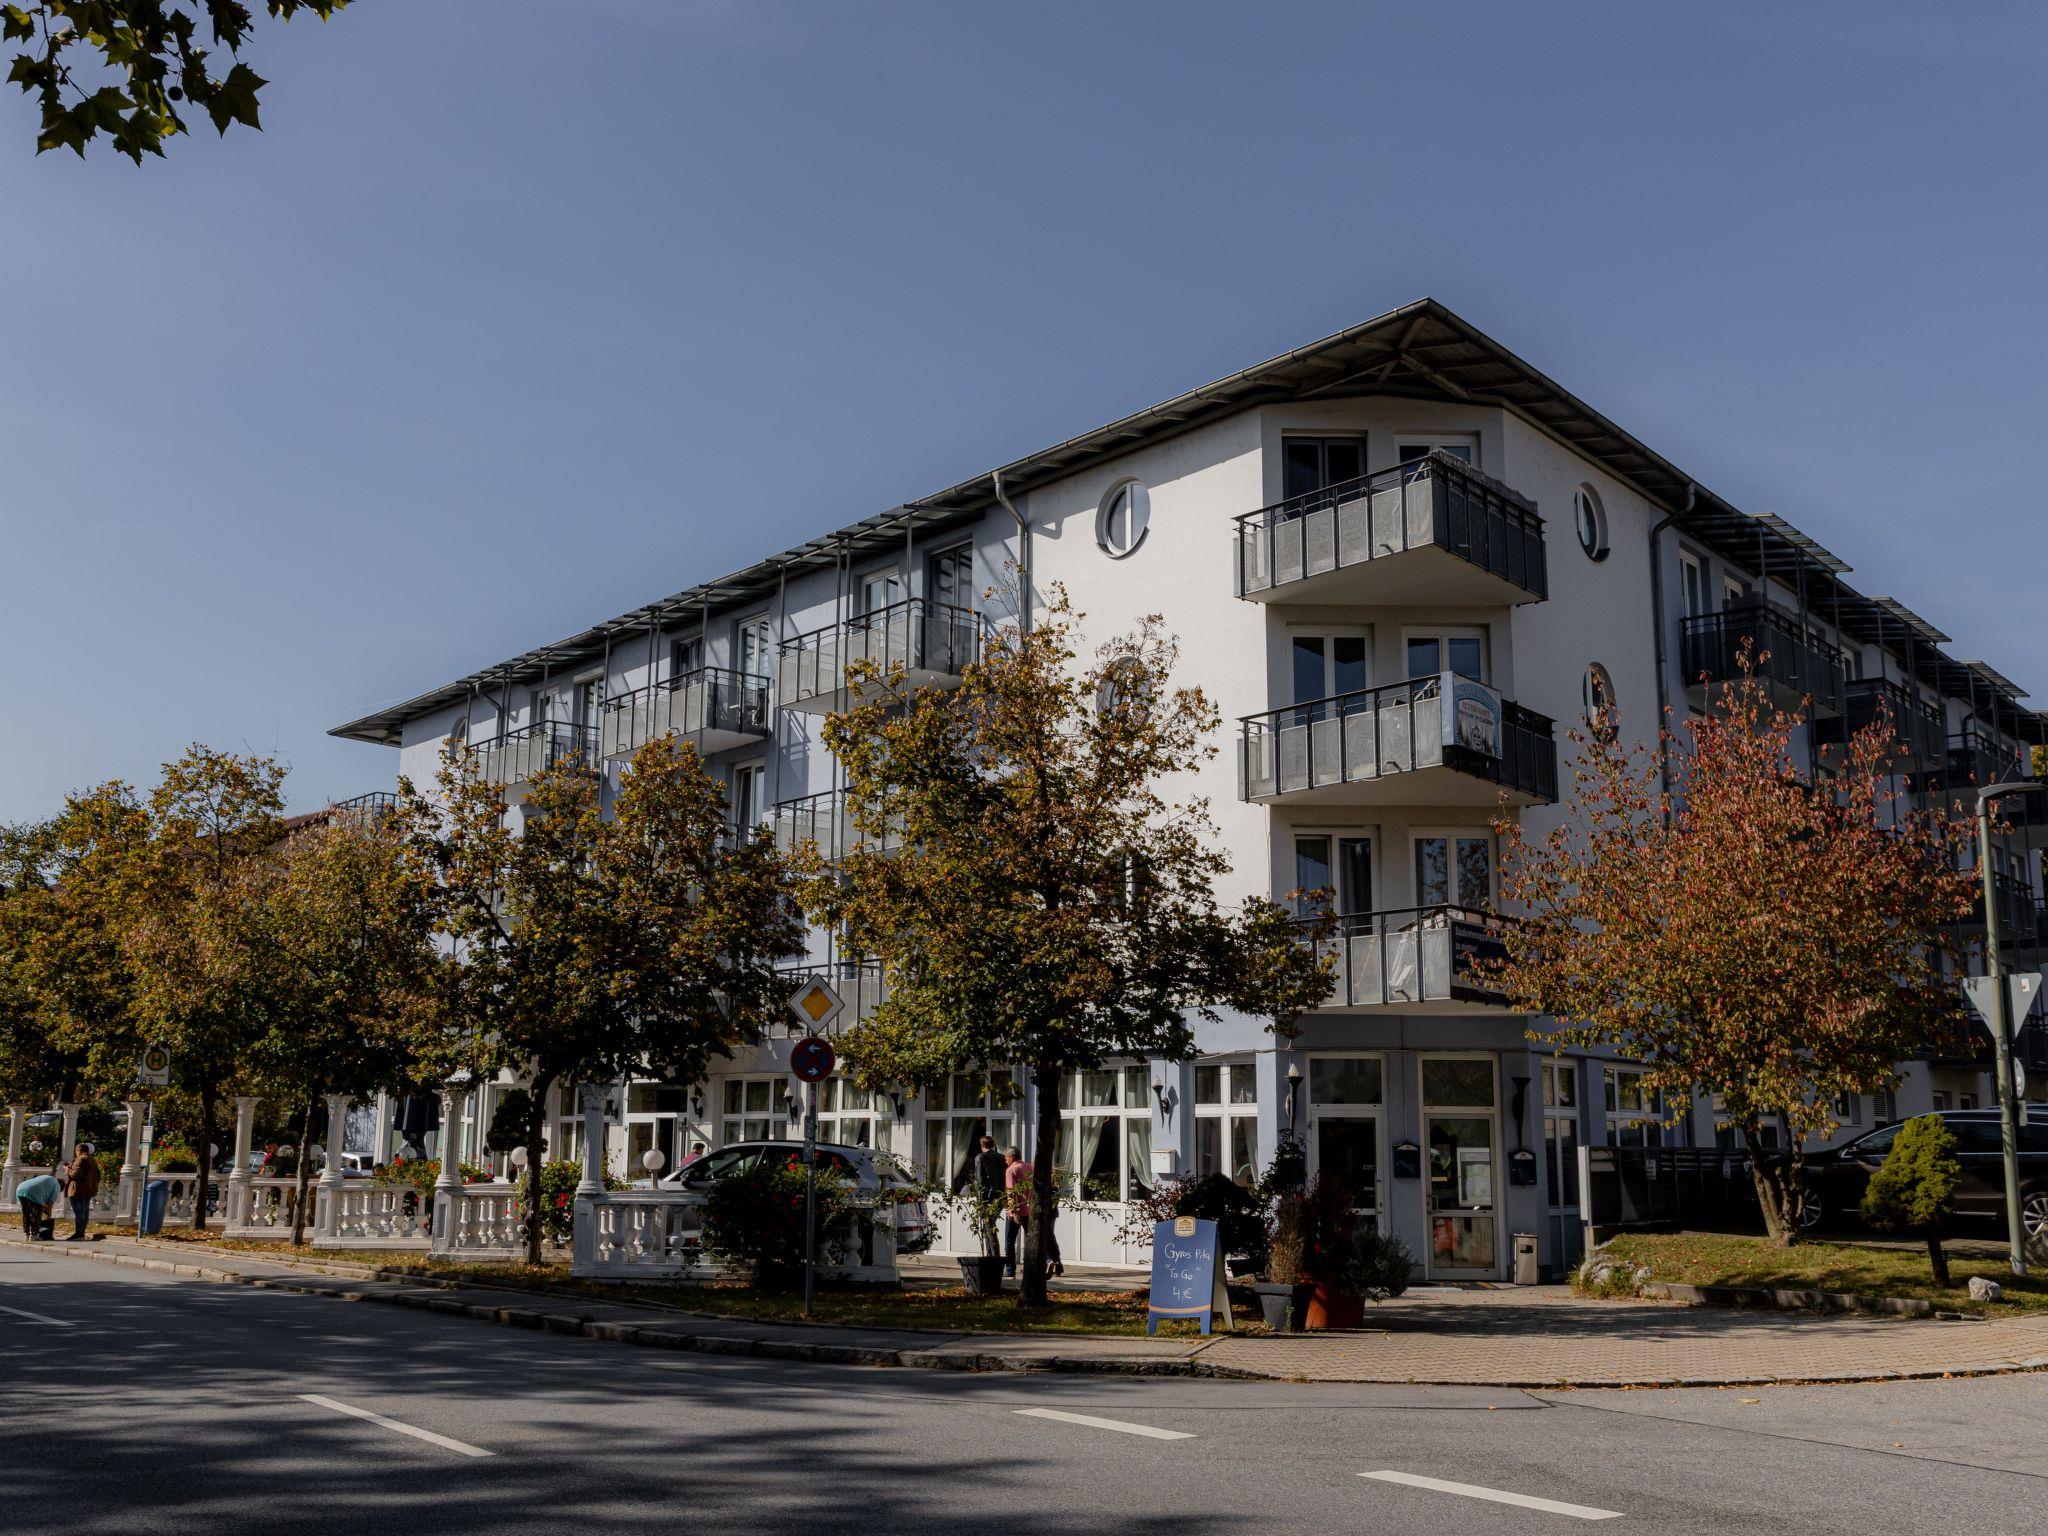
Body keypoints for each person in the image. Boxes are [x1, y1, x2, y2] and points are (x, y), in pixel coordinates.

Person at [1002, 1150, 1063, 1278]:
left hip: (1017, 1211)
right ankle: (1045, 1261)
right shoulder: (1030, 1168)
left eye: (1006, 1157)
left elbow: (1011, 1191)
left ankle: (1010, 1270)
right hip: (1030, 1211)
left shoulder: (1011, 1170)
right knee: (1034, 1239)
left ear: (1011, 1157)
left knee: (1009, 1241)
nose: (1005, 1160)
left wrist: (1013, 1211)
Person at [62, 1143, 101, 1241]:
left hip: (77, 1190)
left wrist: (68, 1169)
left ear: (78, 1150)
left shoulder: (80, 1159)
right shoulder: (92, 1160)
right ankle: (81, 1233)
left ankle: (79, 1234)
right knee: (84, 1212)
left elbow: (75, 1174)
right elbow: (98, 1174)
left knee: (79, 1212)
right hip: (88, 1189)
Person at [15, 1172, 61, 1241]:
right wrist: (48, 1217)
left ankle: (27, 1235)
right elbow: (50, 1204)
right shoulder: (57, 1186)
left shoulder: (47, 1179)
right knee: (36, 1214)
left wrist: (44, 1209)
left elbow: (44, 1204)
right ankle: (34, 1235)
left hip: (21, 1189)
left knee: (26, 1213)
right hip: (34, 1191)